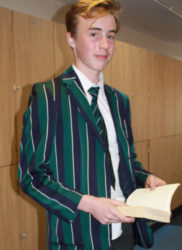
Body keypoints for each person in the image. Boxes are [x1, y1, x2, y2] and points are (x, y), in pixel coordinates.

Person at [18, 0, 166, 249]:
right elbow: (31, 177)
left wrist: (146, 178)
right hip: (79, 237)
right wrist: (89, 203)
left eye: (111, 35)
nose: (105, 45)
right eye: (94, 34)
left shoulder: (119, 101)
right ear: (71, 39)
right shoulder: (48, 96)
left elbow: (123, 161)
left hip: (124, 232)